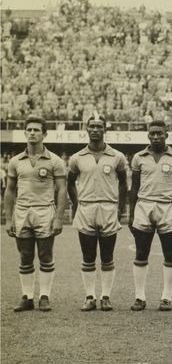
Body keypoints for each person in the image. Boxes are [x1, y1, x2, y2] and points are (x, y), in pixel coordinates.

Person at [4, 116, 67, 312]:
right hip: (22, 212)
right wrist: (8, 219)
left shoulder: (54, 160)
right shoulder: (15, 161)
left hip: (44, 211)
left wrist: (58, 218)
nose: (32, 133)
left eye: (36, 130)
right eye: (29, 130)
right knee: (25, 255)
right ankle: (27, 297)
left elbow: (62, 190)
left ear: (44, 134)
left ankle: (45, 297)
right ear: (25, 132)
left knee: (45, 255)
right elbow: (9, 190)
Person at [67, 114, 128, 312]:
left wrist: (120, 208)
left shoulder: (117, 156)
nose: (95, 129)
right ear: (86, 129)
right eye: (91, 126)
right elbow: (70, 183)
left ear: (105, 129)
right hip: (86, 208)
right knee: (88, 255)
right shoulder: (77, 158)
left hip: (108, 207)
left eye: (99, 126)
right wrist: (76, 204)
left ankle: (106, 297)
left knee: (107, 255)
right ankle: (90, 296)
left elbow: (123, 184)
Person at [128, 120, 172, 311]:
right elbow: (134, 187)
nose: (156, 137)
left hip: (167, 207)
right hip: (144, 206)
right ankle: (140, 297)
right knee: (141, 253)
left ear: (166, 135)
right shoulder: (139, 157)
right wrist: (131, 213)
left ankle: (166, 297)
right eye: (152, 133)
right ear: (148, 135)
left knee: (170, 253)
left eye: (159, 133)